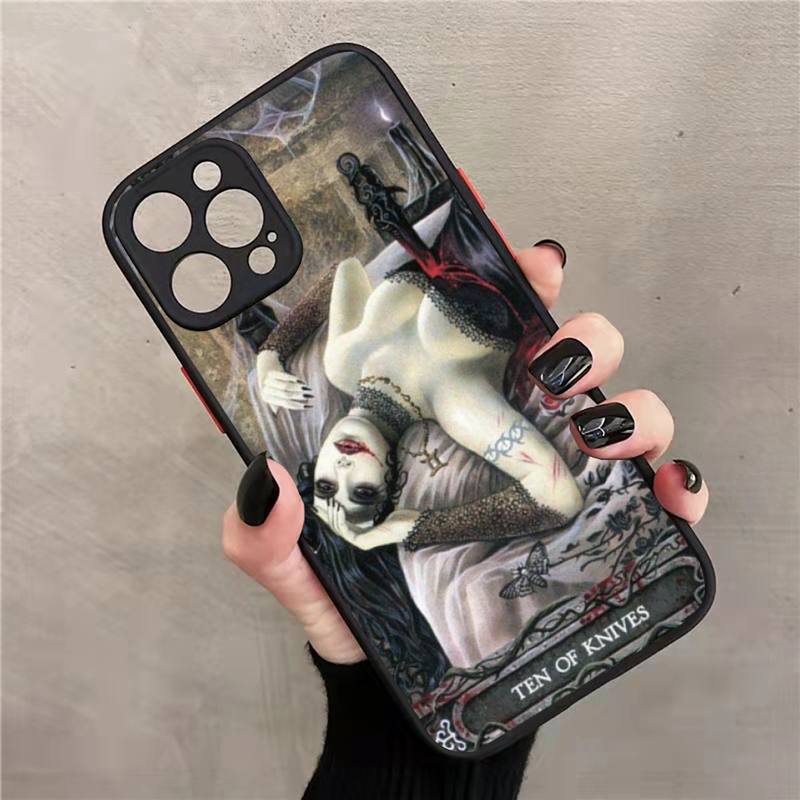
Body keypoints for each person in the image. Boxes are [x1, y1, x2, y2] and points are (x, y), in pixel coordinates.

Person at [222, 240, 709, 799]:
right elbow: (557, 499)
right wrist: (421, 528)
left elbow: (343, 273)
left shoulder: (340, 362)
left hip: (443, 239)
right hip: (484, 273)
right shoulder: (458, 406)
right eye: (362, 494)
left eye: (328, 486)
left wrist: (271, 356)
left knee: (536, 266)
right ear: (392, 483)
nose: (346, 470)